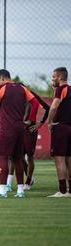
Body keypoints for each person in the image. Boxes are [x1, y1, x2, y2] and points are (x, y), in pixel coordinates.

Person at [0, 69, 35, 198]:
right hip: (20, 128)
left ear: (2, 78)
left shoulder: (2, 88)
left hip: (6, 128)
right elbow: (34, 103)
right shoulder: (22, 88)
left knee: (3, 157)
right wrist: (29, 119)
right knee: (17, 158)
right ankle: (20, 191)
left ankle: (2, 191)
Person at [47, 67, 71, 197]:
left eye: (54, 76)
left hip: (60, 128)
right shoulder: (69, 89)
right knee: (69, 159)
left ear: (60, 77)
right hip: (69, 127)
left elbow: (54, 106)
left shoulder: (61, 89)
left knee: (59, 159)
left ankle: (62, 191)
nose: (52, 79)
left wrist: (49, 122)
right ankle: (70, 190)